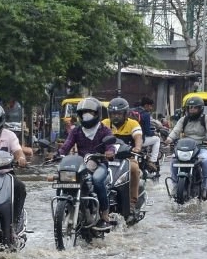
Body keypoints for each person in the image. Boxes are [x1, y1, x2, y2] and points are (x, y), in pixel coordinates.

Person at [56, 97, 117, 229]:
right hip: (81, 164)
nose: (86, 115)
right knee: (62, 179)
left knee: (97, 181)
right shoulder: (76, 131)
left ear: (97, 114)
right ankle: (63, 209)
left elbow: (110, 146)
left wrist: (110, 152)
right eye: (83, 113)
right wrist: (58, 154)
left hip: (100, 163)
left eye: (90, 112)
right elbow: (66, 146)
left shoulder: (104, 130)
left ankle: (104, 214)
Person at [165, 95, 207, 198]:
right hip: (185, 148)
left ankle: (206, 188)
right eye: (190, 108)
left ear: (200, 108)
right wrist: (169, 138)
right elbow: (176, 130)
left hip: (201, 147)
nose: (192, 110)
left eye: (195, 108)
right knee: (174, 161)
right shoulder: (183, 119)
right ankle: (175, 186)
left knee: (206, 160)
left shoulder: (206, 118)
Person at [105, 97, 144, 219]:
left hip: (127, 159)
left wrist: (137, 148)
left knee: (134, 170)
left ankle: (132, 203)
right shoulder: (104, 124)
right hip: (107, 158)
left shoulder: (133, 124)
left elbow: (138, 137)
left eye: (118, 114)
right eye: (113, 114)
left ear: (126, 114)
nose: (115, 117)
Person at [138, 96, 161, 173]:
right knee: (157, 139)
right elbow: (147, 132)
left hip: (130, 141)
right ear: (146, 105)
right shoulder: (146, 114)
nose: (151, 108)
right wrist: (154, 133)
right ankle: (152, 161)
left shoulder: (133, 112)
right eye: (150, 106)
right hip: (140, 141)